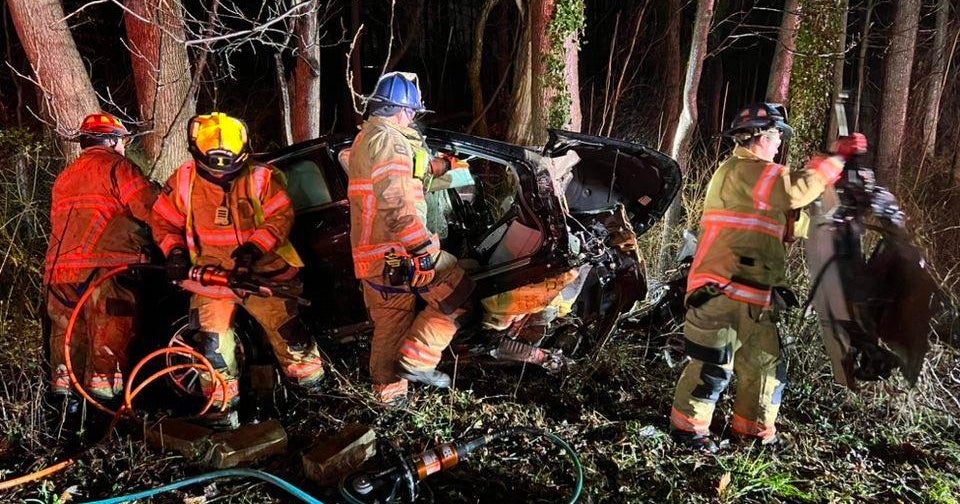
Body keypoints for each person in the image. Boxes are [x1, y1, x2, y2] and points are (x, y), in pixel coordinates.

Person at [669, 103, 867, 452]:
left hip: (758, 298)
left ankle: (753, 434)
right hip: (721, 293)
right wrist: (835, 160)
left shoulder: (761, 184)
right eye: (775, 135)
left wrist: (835, 224)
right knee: (712, 368)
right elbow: (795, 190)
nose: (778, 143)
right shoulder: (743, 172)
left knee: (765, 371)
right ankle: (688, 432)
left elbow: (792, 221)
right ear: (754, 137)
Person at [150, 112, 325, 424]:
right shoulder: (183, 182)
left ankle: (315, 400)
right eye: (214, 170)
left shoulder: (260, 178)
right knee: (212, 345)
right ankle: (221, 413)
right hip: (211, 278)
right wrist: (173, 251)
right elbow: (163, 221)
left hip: (262, 272)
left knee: (291, 336)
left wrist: (252, 250)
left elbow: (280, 217)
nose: (223, 176)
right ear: (197, 154)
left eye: (230, 169)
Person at [344, 72, 474, 406]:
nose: (414, 116)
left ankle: (389, 398)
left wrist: (440, 166)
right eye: (412, 110)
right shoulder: (390, 139)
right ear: (400, 109)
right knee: (459, 291)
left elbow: (406, 170)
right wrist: (421, 248)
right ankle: (418, 361)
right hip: (399, 249)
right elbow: (396, 200)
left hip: (375, 254)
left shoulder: (369, 136)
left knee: (391, 323)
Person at [45, 112, 157, 409]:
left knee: (67, 346)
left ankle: (65, 420)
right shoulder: (118, 168)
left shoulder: (65, 176)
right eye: (121, 141)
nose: (123, 147)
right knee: (108, 344)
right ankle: (104, 418)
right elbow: (152, 210)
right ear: (112, 140)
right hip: (104, 271)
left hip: (59, 275)